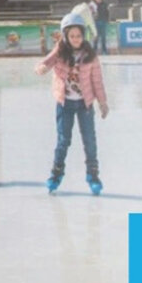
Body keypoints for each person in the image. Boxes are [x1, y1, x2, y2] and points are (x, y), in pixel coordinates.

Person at [34, 12, 110, 195]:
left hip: (85, 104)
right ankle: (56, 174)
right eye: (72, 36)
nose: (76, 39)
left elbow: (97, 81)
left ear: (84, 35)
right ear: (66, 36)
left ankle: (93, 176)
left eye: (79, 35)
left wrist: (103, 102)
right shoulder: (60, 52)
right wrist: (41, 69)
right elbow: (43, 64)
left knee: (89, 141)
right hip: (65, 104)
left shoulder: (90, 55)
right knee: (63, 141)